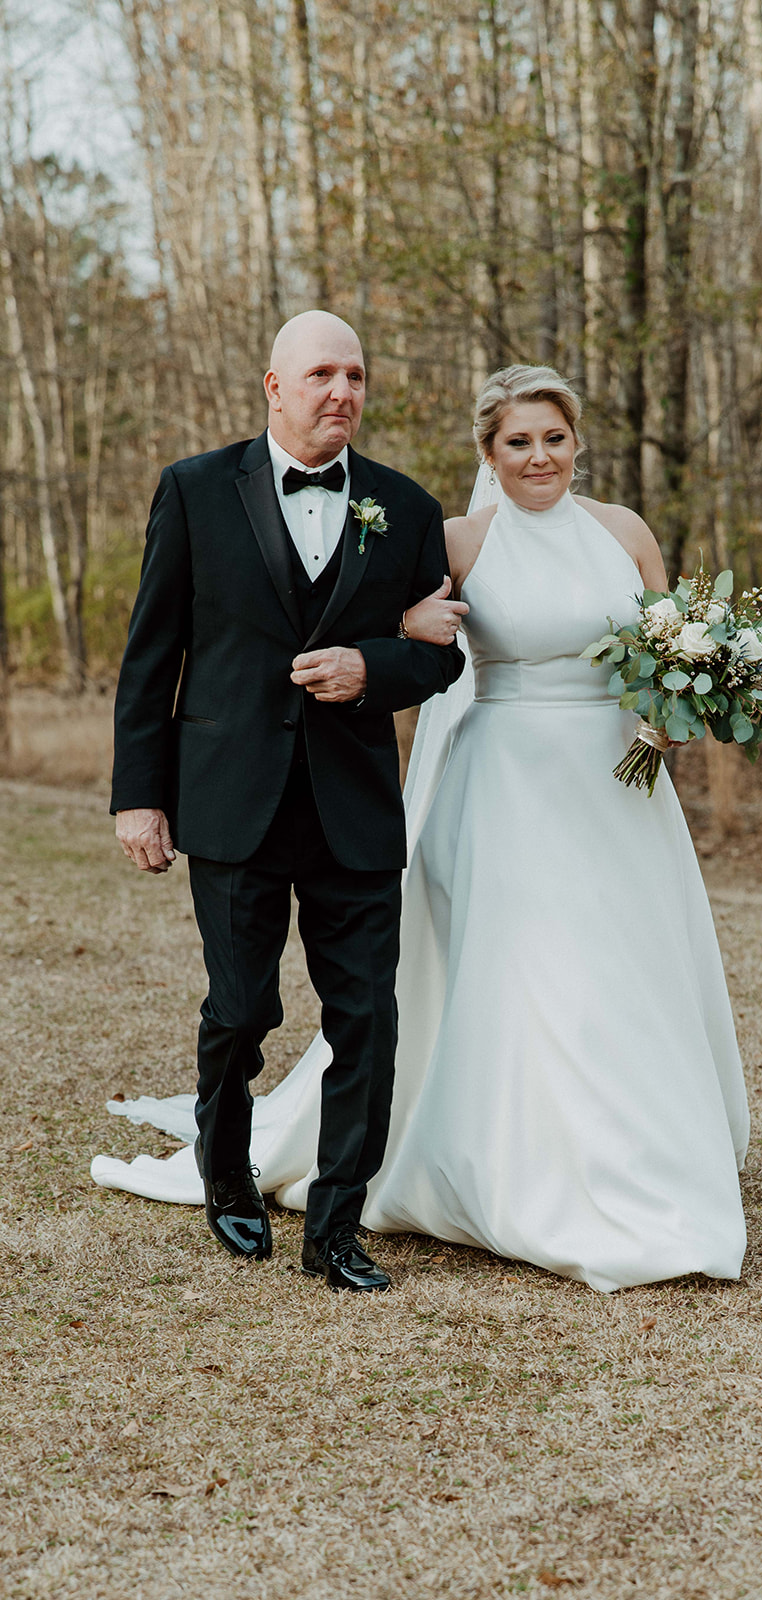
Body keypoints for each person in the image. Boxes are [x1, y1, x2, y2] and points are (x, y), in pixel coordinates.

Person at [95, 363, 749, 1293]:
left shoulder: (625, 532)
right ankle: (521, 1165)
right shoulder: (454, 539)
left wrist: (681, 701)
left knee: (627, 965)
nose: (538, 456)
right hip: (508, 784)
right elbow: (405, 637)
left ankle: (646, 1154)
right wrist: (387, 638)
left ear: (577, 442)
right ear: (489, 452)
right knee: (527, 973)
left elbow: (667, 637)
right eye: (518, 441)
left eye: (554, 438)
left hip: (619, 789)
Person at [107, 310, 465, 1293]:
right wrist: (139, 798)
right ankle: (226, 1174)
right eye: (320, 374)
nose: (340, 391)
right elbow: (152, 658)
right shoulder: (192, 491)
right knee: (241, 1005)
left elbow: (443, 652)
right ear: (274, 385)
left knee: (368, 1020)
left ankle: (337, 1225)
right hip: (230, 800)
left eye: (354, 374)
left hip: (352, 805)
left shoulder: (404, 504)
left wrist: (372, 665)